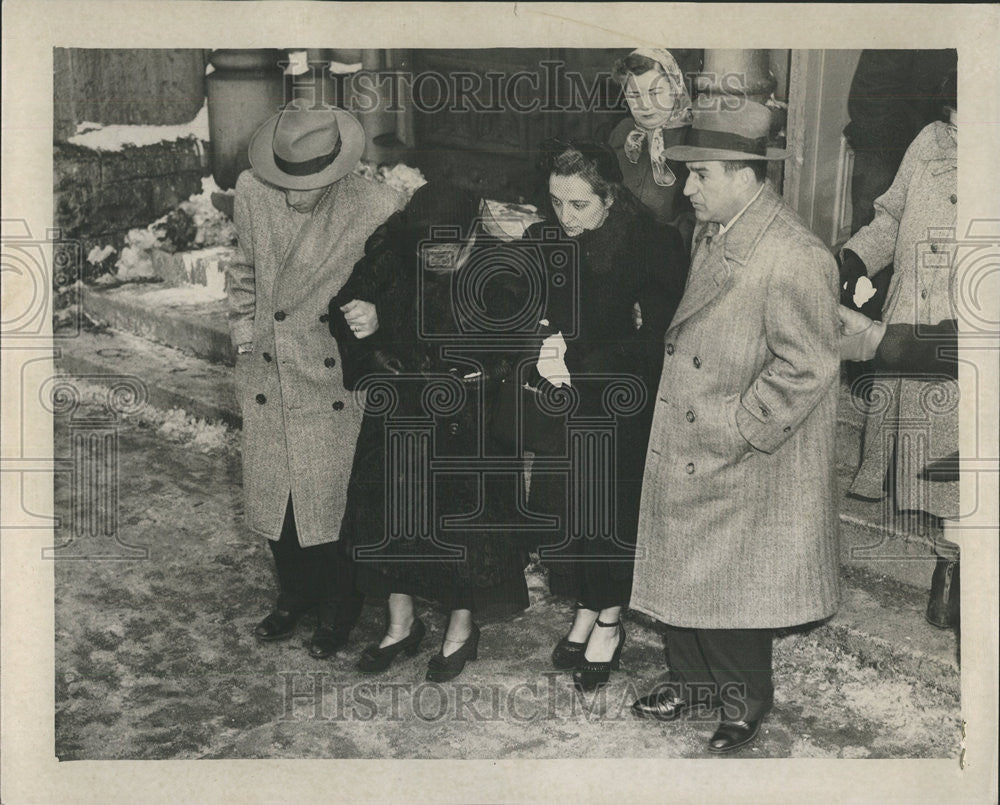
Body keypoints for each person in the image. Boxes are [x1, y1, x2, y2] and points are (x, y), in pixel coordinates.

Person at [629, 101, 841, 753]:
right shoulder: (715, 227)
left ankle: (744, 697)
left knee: (731, 589)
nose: (687, 187)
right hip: (694, 436)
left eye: (702, 175)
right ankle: (691, 682)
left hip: (741, 452)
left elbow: (810, 363)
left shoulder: (792, 254)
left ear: (745, 176)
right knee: (680, 574)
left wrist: (744, 428)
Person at [226, 98, 404, 659]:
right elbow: (243, 268)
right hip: (268, 365)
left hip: (330, 370)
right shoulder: (251, 193)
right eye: (285, 178)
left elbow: (399, 286)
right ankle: (293, 595)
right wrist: (243, 331)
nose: (293, 190)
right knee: (275, 494)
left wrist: (379, 315)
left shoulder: (376, 205)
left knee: (326, 498)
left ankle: (339, 604)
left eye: (308, 180)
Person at [332, 183, 531, 683]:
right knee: (391, 518)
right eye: (430, 253)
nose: (440, 260)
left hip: (472, 422)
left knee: (464, 527)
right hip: (400, 410)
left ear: (472, 238)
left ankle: (461, 629)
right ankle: (401, 625)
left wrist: (478, 377)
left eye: (453, 252)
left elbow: (518, 347)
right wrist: (367, 330)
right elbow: (344, 308)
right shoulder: (391, 248)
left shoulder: (500, 270)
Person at [521, 140, 688, 692]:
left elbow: (658, 341)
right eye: (555, 203)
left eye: (579, 206)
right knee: (574, 513)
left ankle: (609, 621)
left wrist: (582, 358)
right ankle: (586, 608)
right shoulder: (549, 238)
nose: (565, 217)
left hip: (623, 403)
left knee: (611, 514)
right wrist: (541, 344)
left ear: (610, 198)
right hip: (567, 400)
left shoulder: (651, 245)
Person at [838, 71, 960, 629]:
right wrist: (853, 259)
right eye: (955, 114)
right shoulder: (932, 139)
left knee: (961, 462)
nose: (957, 129)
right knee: (921, 452)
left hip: (962, 336)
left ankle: (952, 564)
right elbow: (890, 217)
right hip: (912, 309)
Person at [608, 48, 695, 246]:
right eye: (634, 95)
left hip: (671, 253)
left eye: (655, 92)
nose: (645, 104)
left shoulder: (693, 137)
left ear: (675, 88)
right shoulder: (623, 132)